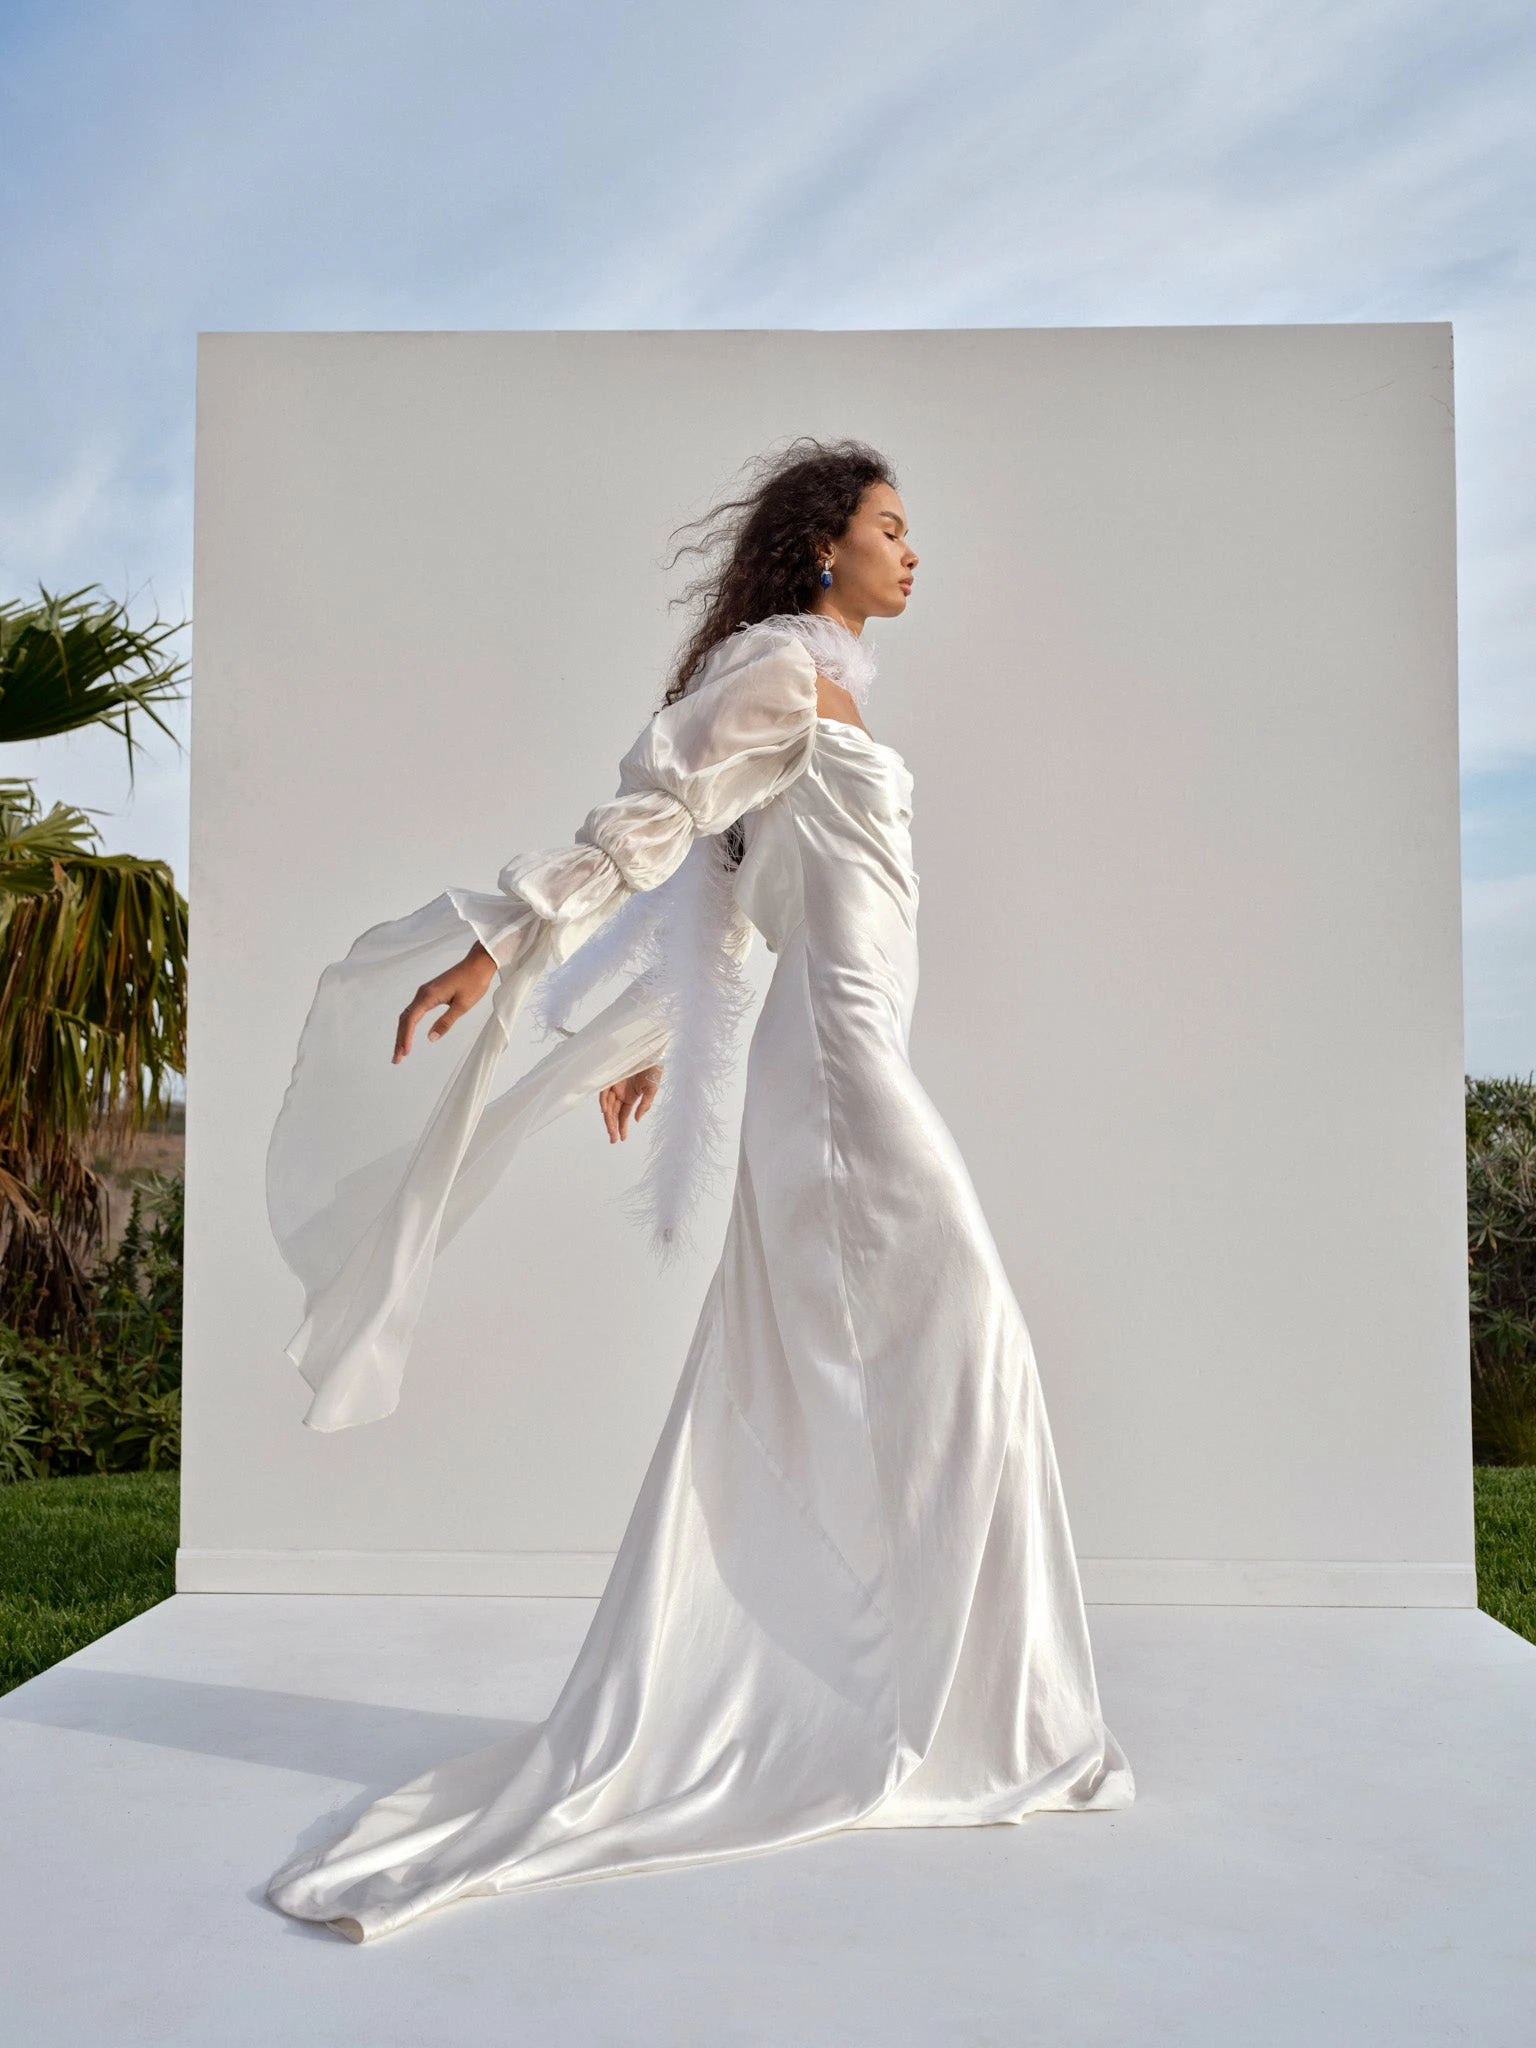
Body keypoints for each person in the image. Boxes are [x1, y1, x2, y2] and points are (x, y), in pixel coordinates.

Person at [265, 438, 1134, 1943]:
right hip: (839, 1075)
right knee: (969, 1343)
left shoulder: (833, 692)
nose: (913, 552)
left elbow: (738, 898)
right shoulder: (781, 672)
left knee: (910, 1372)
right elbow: (657, 821)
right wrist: (499, 946)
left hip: (847, 1061)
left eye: (911, 530)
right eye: (890, 527)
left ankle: (925, 1699)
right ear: (824, 547)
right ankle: (947, 1711)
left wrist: (659, 1038)